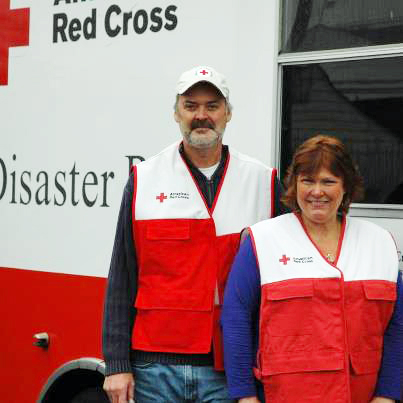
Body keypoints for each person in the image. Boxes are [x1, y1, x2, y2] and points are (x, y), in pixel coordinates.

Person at [102, 65, 286, 403]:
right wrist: (116, 364)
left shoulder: (263, 182)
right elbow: (122, 275)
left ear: (228, 114)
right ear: (176, 114)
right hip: (153, 368)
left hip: (231, 368)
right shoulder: (144, 179)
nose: (201, 115)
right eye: (190, 106)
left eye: (212, 106)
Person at [221, 134, 403, 403]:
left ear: (346, 187)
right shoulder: (262, 240)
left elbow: (397, 326)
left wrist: (388, 395)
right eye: (308, 181)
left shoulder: (380, 242)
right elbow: (235, 320)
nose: (317, 191)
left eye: (328, 181)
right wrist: (245, 396)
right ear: (295, 185)